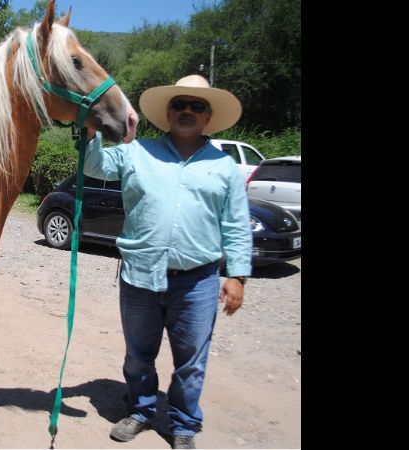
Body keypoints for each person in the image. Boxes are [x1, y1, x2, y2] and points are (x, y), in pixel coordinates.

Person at [83, 74, 252, 449]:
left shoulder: (224, 167)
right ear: (168, 113)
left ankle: (183, 425)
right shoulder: (136, 151)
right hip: (140, 274)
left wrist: (238, 275)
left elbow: (237, 225)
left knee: (191, 361)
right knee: (138, 355)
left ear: (208, 117)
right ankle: (141, 411)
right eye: (180, 104)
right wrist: (91, 125)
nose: (187, 111)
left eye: (197, 106)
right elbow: (93, 166)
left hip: (198, 282)